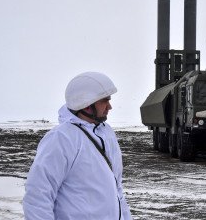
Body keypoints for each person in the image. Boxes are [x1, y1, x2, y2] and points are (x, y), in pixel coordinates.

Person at [23, 72, 132, 220]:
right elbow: (38, 195)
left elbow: (117, 189)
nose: (110, 106)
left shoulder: (107, 133)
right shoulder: (61, 138)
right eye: (105, 101)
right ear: (87, 105)